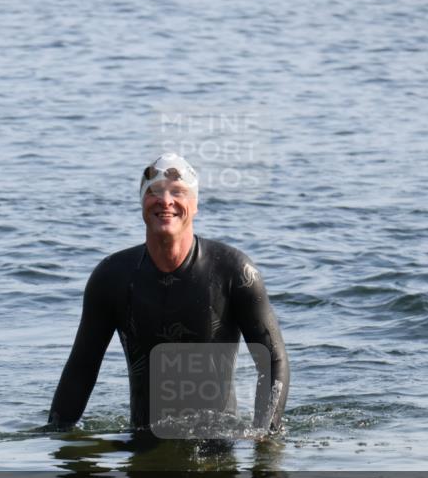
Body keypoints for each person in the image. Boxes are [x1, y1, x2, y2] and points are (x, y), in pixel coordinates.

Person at [47, 153, 289, 433]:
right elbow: (82, 368)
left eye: (178, 192)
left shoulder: (235, 272)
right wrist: (55, 439)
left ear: (195, 205)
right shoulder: (112, 277)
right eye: (154, 192)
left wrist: (265, 438)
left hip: (217, 447)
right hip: (142, 441)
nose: (165, 201)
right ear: (142, 203)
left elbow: (273, 360)